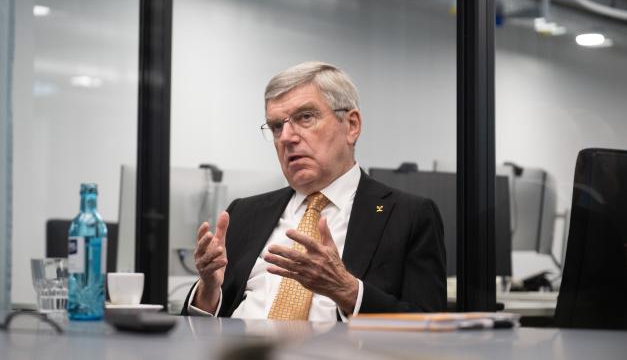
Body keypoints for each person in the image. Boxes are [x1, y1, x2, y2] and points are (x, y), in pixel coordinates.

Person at [181, 61, 446, 320]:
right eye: (276, 126)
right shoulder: (244, 213)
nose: (286, 137)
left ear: (352, 126)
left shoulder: (408, 216)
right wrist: (208, 288)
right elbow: (202, 327)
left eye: (305, 117)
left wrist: (346, 290)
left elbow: (429, 327)